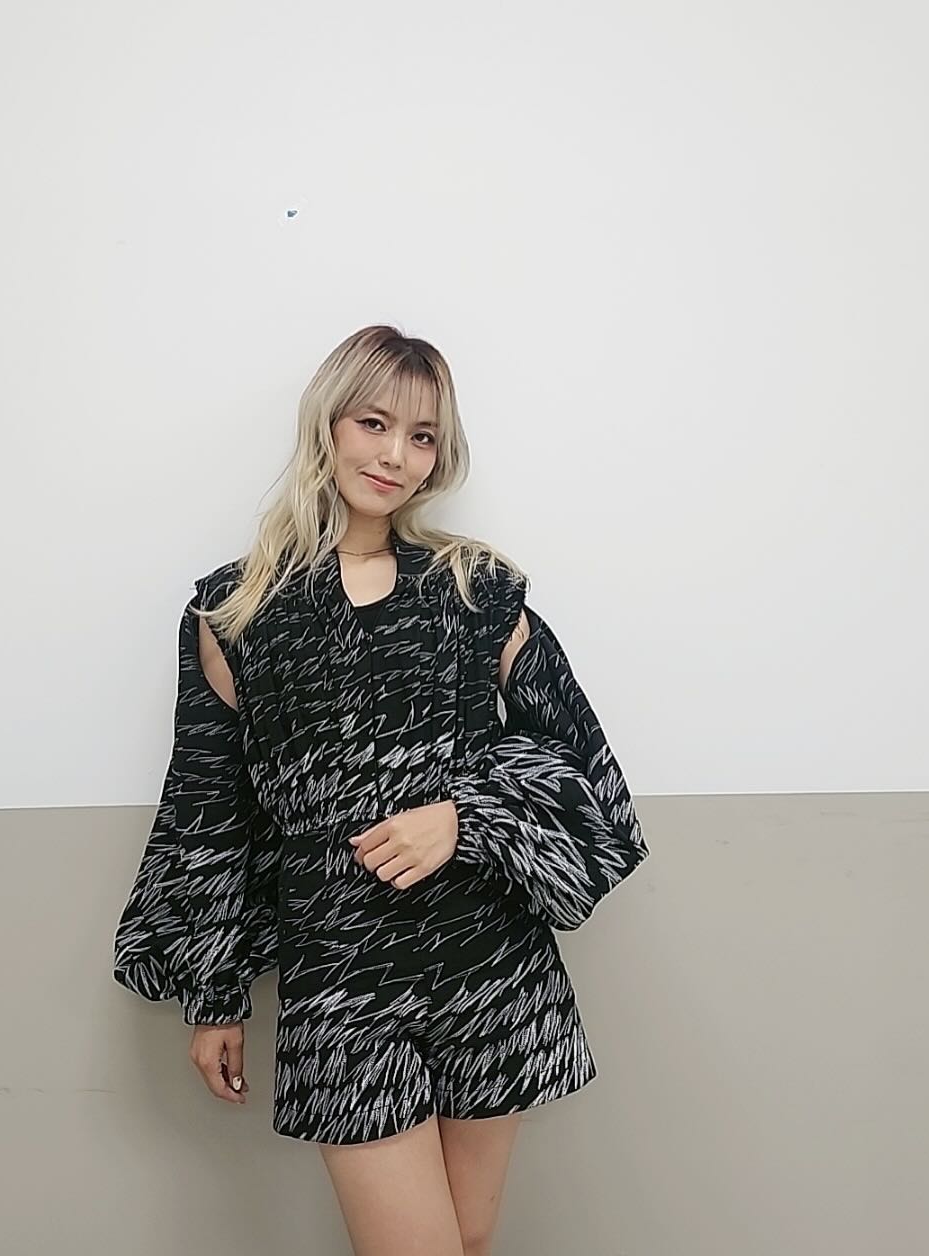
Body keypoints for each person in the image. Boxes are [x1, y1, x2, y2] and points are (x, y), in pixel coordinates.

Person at [114, 324, 648, 1255]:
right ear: (328, 423)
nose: (396, 455)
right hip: (341, 970)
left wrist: (467, 818)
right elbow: (208, 812)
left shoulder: (476, 589)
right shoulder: (235, 608)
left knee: (469, 1239)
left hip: (489, 956)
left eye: (422, 436)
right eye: (374, 423)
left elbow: (585, 765)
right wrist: (214, 994)